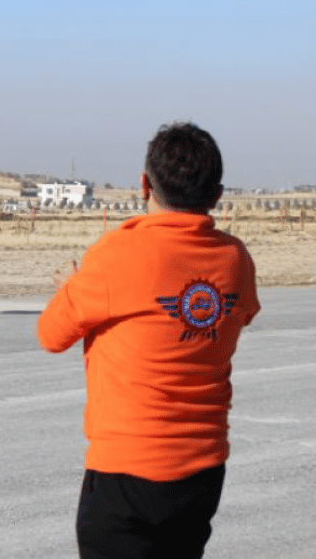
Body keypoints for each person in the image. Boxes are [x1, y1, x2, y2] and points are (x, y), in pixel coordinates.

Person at [38, 122, 260, 559]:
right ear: (217, 195)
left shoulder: (116, 254)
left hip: (126, 471)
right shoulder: (236, 260)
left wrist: (79, 287)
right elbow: (242, 312)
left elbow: (51, 334)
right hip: (202, 470)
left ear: (143, 185)